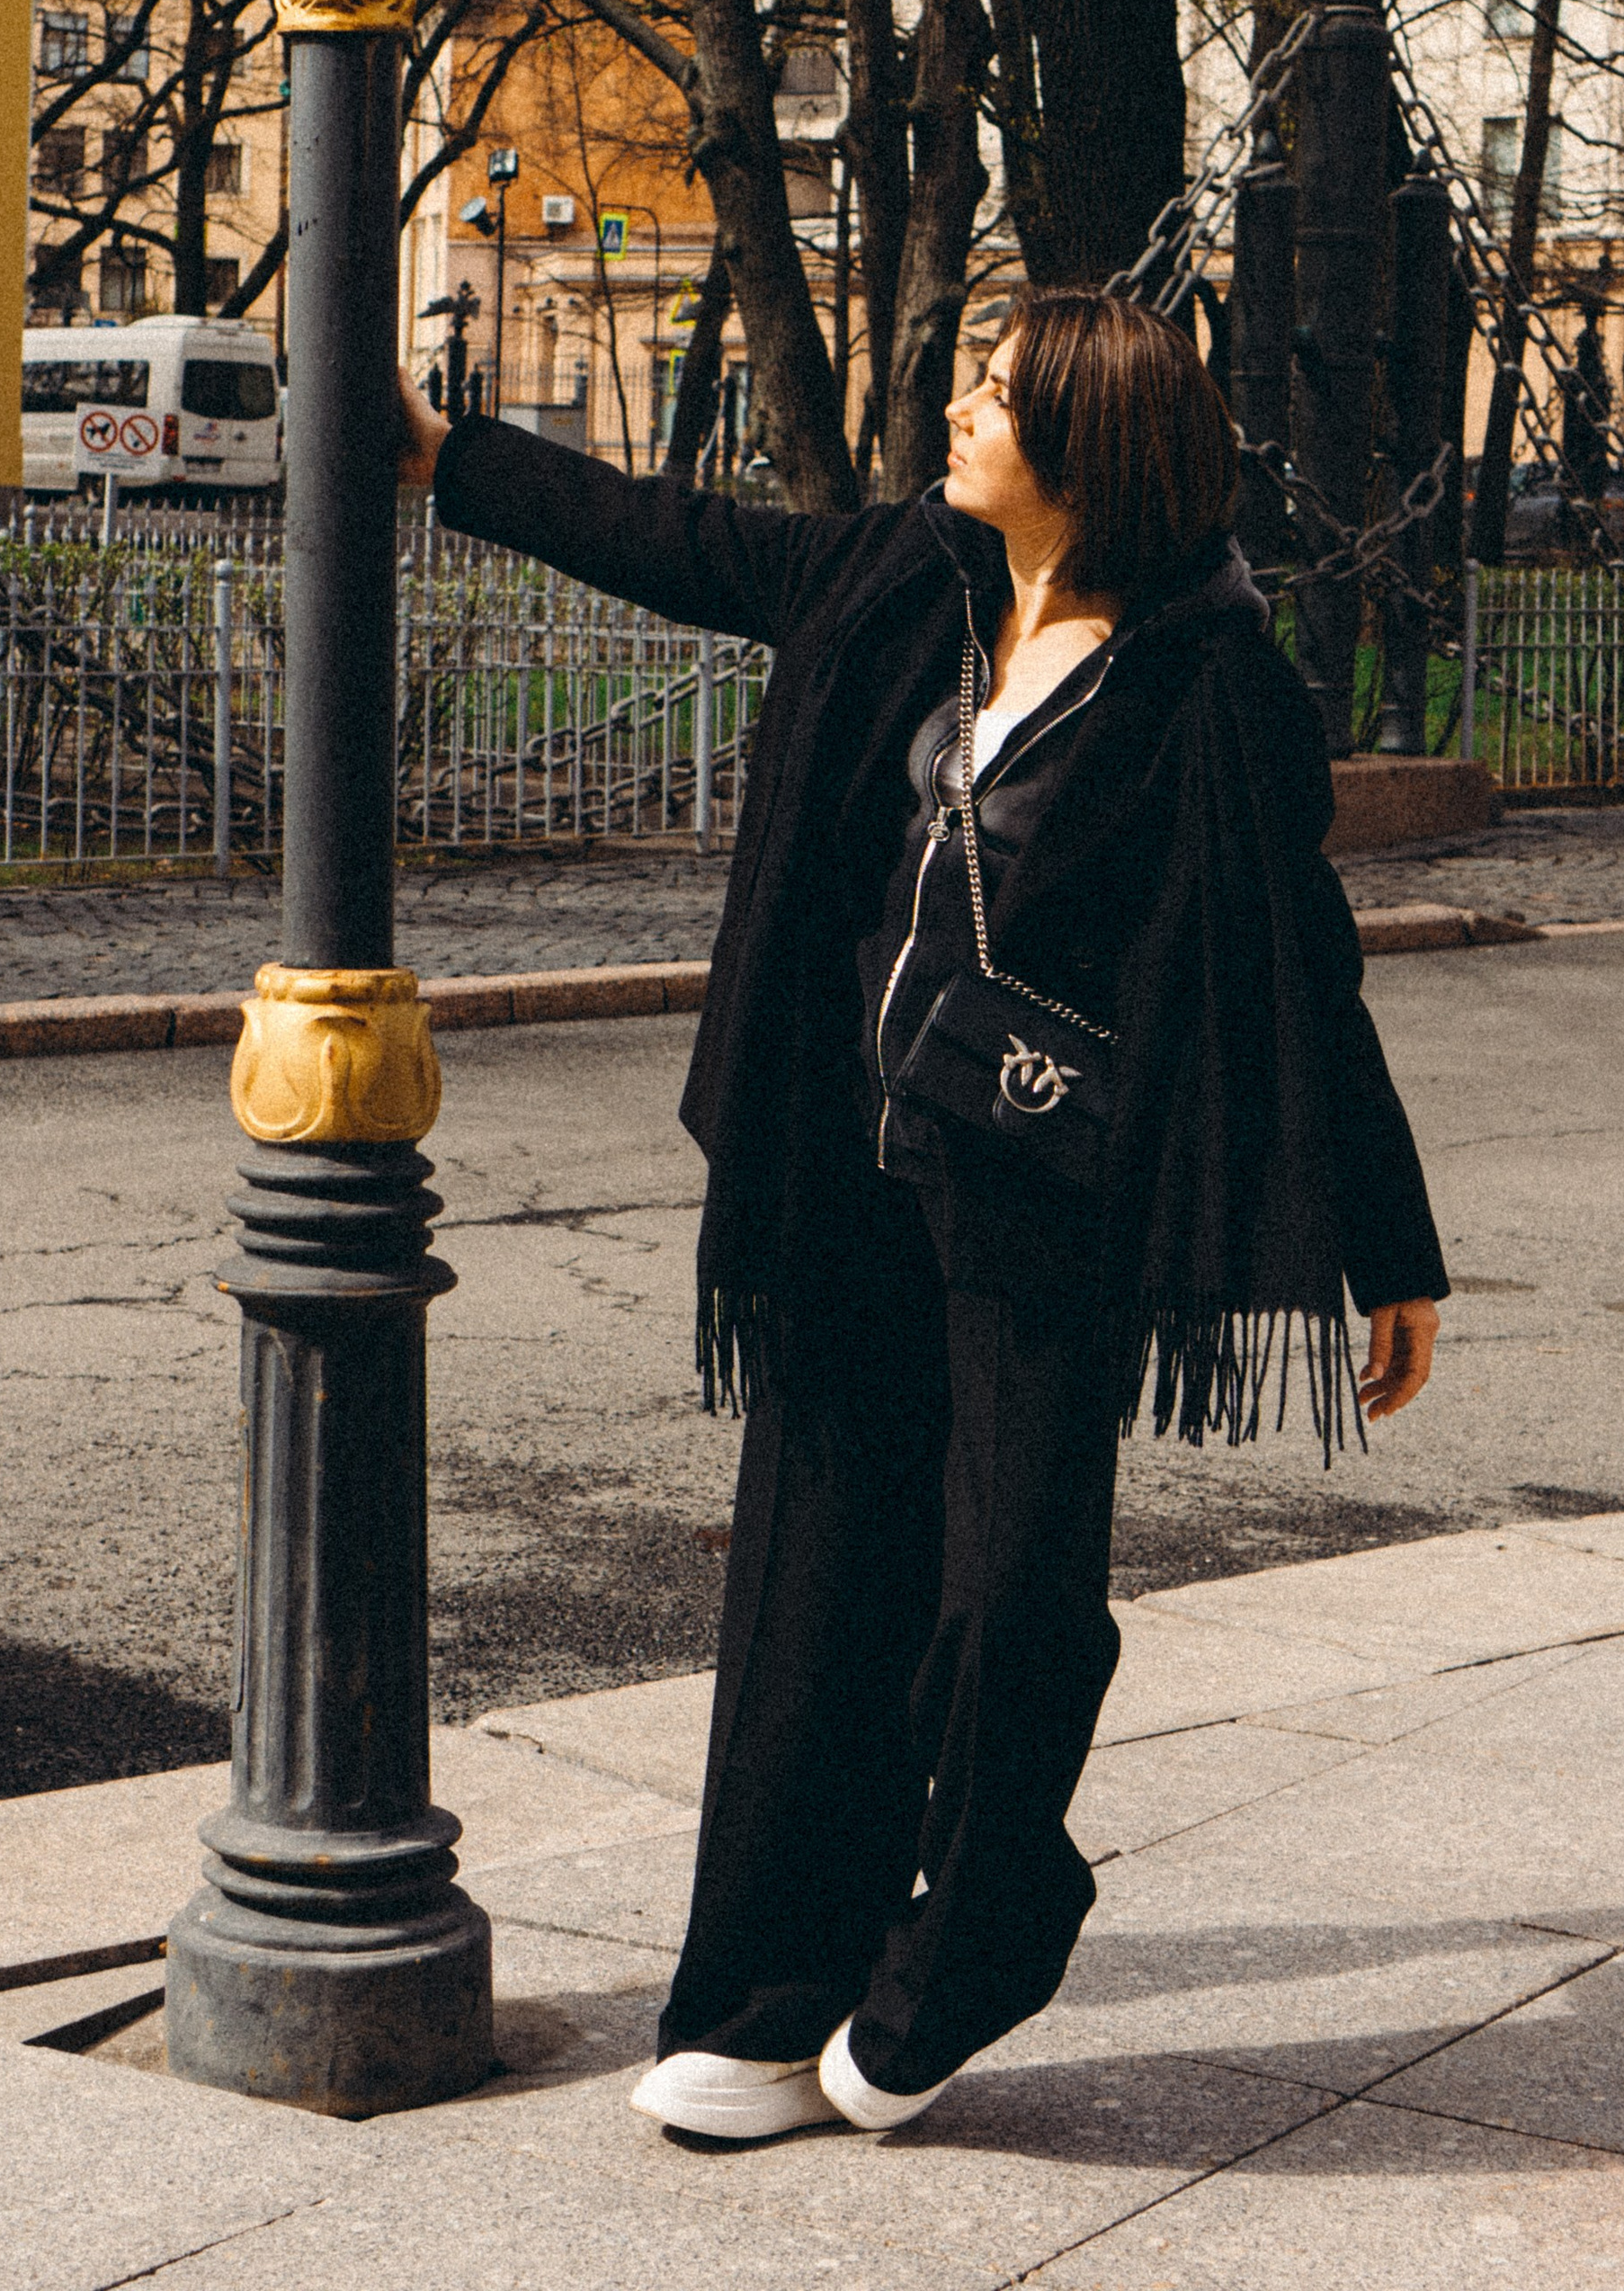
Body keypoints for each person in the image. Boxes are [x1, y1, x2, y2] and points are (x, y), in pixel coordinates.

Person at [397, 285, 1444, 2144]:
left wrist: (1388, 1242)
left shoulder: (1206, 685)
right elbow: (688, 544)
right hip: (843, 1183)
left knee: (1005, 1597)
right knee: (813, 1596)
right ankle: (767, 1991)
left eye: (990, 393)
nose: (953, 413)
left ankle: (984, 1922)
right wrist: (445, 459)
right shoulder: (906, 583)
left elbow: (1302, 966)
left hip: (1044, 1214)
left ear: (1084, 446)